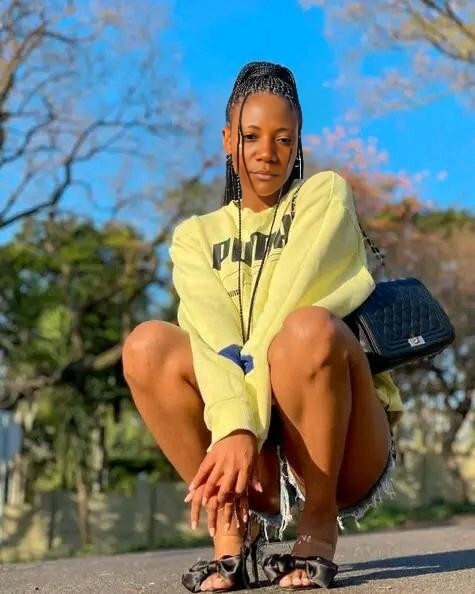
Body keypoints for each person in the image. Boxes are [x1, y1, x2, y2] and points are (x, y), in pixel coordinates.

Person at [122, 61, 404, 592]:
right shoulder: (194, 237)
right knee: (146, 345)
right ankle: (234, 530)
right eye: (251, 136)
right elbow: (212, 337)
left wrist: (241, 425)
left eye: (283, 138)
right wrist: (235, 426)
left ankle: (317, 526)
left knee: (305, 329)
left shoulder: (323, 197)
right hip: (252, 464)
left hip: (340, 449)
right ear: (228, 140)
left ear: (298, 143)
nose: (267, 152)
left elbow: (284, 311)